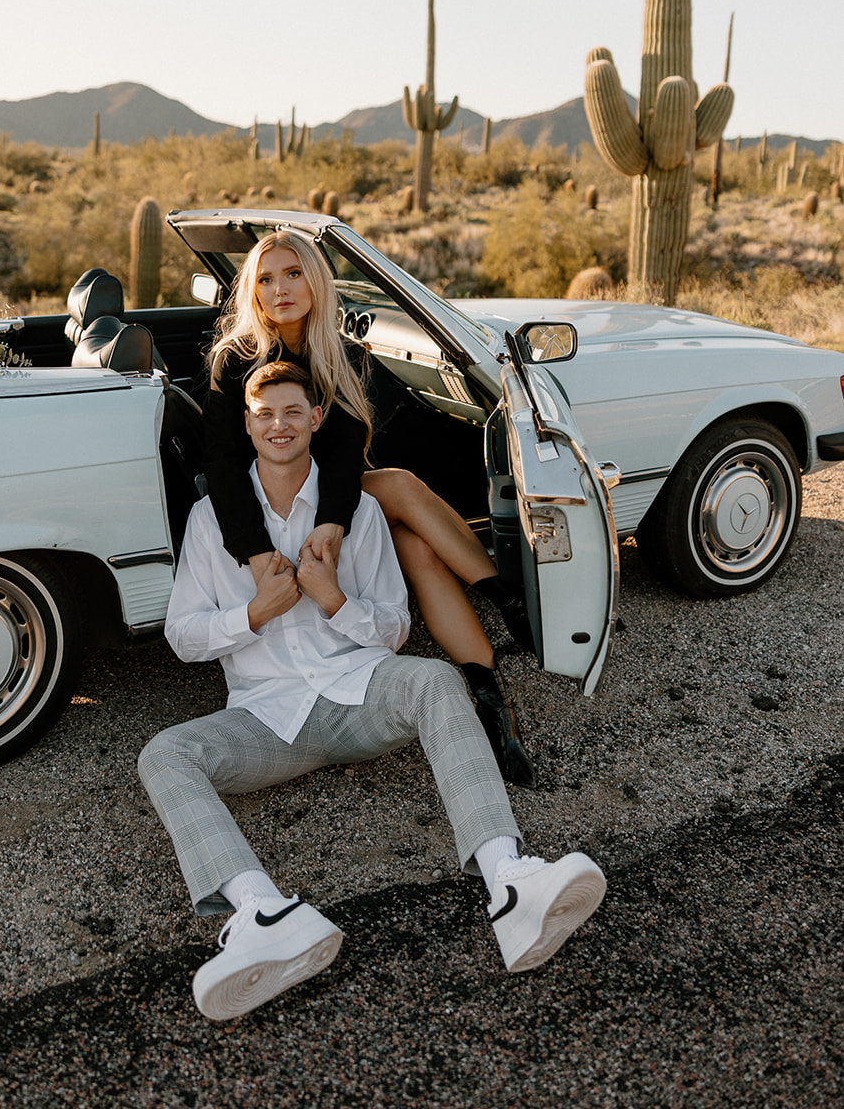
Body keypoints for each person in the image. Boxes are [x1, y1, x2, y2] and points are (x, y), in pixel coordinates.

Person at [138, 362, 606, 1022]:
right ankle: (264, 915)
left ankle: (510, 884)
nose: (279, 425)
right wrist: (254, 613)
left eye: (293, 412)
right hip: (270, 722)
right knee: (163, 754)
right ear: (246, 424)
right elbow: (183, 637)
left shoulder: (352, 510)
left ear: (315, 420)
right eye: (265, 414)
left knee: (437, 679)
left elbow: (391, 628)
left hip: (356, 694)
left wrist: (333, 601)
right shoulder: (213, 522)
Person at [202, 227, 534, 785]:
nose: (280, 288)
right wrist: (256, 553)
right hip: (267, 505)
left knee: (417, 549)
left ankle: (492, 704)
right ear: (252, 292)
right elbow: (222, 469)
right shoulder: (236, 359)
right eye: (265, 278)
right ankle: (509, 600)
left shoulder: (338, 352)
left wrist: (332, 522)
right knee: (401, 484)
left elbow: (343, 456)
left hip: (322, 494)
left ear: (315, 278)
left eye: (292, 273)